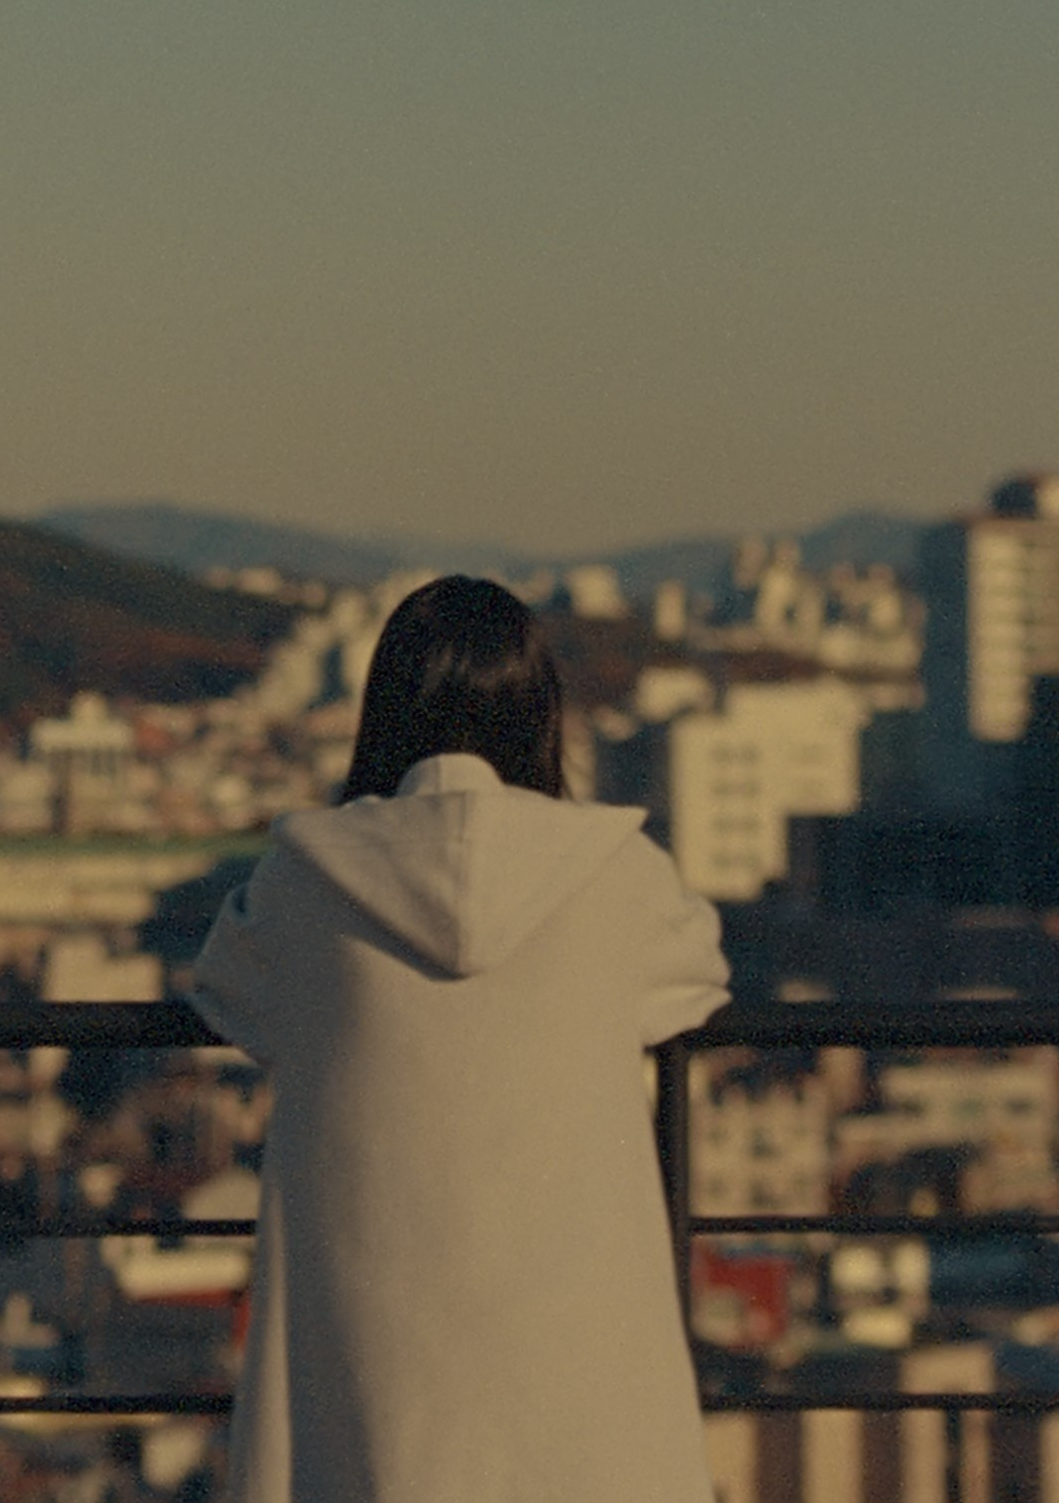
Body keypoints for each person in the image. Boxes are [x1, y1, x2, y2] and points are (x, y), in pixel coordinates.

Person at [189, 574, 731, 1503]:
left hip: (372, 1346)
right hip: (574, 1348)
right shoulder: (618, 873)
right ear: (539, 716)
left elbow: (226, 990)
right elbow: (698, 974)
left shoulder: (304, 878)